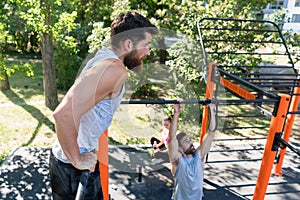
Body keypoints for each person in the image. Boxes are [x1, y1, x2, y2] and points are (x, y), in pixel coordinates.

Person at [49, 11, 158, 200]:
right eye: (147, 45)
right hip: (74, 166)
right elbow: (63, 115)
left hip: (72, 159)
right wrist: (78, 160)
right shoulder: (113, 70)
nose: (148, 52)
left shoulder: (104, 58)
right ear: (128, 44)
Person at [167, 101, 216, 200]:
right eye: (186, 141)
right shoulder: (177, 161)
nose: (191, 143)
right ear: (179, 148)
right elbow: (172, 138)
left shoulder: (199, 156)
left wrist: (211, 110)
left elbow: (211, 133)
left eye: (190, 140)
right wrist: (176, 114)